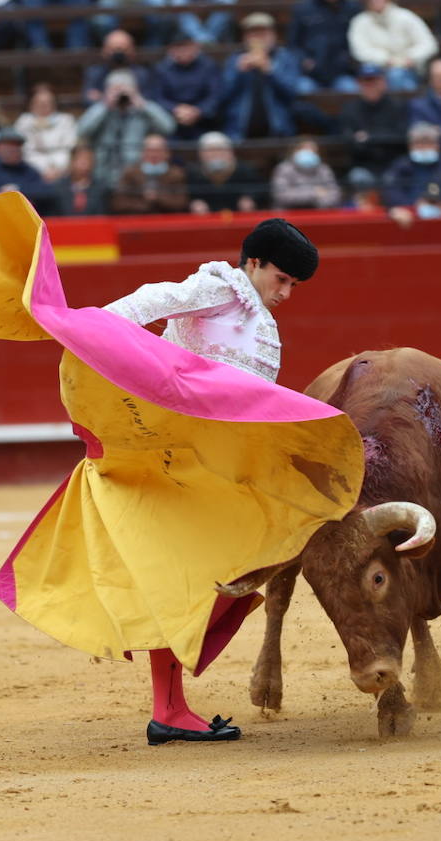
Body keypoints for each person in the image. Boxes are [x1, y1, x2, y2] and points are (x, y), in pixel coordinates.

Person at [95, 218, 322, 743]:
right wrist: (136, 366)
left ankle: (170, 708)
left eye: (294, 286)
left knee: (211, 580)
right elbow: (141, 305)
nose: (285, 293)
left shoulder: (259, 321)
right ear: (255, 263)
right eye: (281, 278)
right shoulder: (220, 289)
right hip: (184, 467)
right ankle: (169, 711)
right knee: (189, 583)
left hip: (223, 473)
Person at [77, 70, 177, 189]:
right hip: (101, 173)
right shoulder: (101, 109)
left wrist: (143, 104)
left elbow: (169, 127)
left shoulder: (143, 110)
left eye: (124, 90)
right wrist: (104, 105)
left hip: (134, 176)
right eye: (115, 89)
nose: (121, 95)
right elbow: (82, 130)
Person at [218, 12, 307, 141]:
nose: (259, 38)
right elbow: (222, 97)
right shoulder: (234, 60)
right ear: (245, 38)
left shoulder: (286, 58)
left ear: (273, 35)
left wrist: (270, 71)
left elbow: (292, 94)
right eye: (254, 34)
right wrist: (238, 72)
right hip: (239, 131)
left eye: (263, 33)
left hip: (279, 130)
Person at [338, 61, 409, 193]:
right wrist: (383, 138)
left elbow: (401, 138)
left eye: (374, 81)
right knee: (357, 176)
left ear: (384, 83)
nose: (370, 86)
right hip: (364, 165)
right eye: (365, 82)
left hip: (392, 164)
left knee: (399, 175)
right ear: (359, 84)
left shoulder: (397, 106)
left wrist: (369, 137)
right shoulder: (350, 109)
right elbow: (349, 142)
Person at [380, 121, 441, 215]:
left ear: (438, 145)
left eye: (429, 142)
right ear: (410, 146)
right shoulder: (400, 166)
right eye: (419, 143)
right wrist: (413, 206)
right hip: (410, 217)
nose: (424, 147)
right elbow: (391, 192)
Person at [346, 0, 438, 92]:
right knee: (347, 86)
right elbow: (359, 51)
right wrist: (385, 60)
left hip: (408, 70)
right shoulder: (360, 22)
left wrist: (411, 57)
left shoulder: (406, 17)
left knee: (399, 77)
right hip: (374, 73)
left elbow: (429, 44)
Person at [150, 30, 222, 141]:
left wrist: (198, 111)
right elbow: (157, 98)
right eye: (178, 47)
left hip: (204, 124)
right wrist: (175, 109)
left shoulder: (209, 66)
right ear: (170, 50)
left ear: (196, 47)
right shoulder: (161, 69)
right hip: (171, 124)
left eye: (186, 46)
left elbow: (215, 95)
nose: (183, 51)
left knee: (215, 141)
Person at [0, 128, 57, 213]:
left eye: (17, 145)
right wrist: (7, 195)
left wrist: (16, 190)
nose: (13, 149)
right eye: (8, 145)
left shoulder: (29, 170)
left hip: (28, 218)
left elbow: (45, 191)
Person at [288, 0, 363, 93]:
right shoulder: (303, 9)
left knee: (352, 89)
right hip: (311, 74)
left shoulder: (352, 8)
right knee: (302, 90)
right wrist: (304, 60)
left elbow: (359, 41)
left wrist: (348, 60)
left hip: (342, 72)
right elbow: (293, 44)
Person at [186, 130, 266, 213]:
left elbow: (260, 190)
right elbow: (187, 195)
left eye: (220, 150)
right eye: (211, 151)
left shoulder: (245, 170)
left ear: (231, 152)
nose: (216, 155)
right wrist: (195, 203)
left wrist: (250, 199)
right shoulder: (194, 173)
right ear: (201, 154)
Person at [14, 83, 78, 183]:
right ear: (31, 104)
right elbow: (26, 152)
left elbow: (69, 148)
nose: (44, 106)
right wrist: (45, 169)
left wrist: (57, 169)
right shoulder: (23, 122)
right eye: (40, 103)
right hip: (33, 172)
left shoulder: (66, 120)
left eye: (48, 103)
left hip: (62, 172)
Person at [110, 133, 188, 214]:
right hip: (137, 220)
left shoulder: (176, 173)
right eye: (150, 150)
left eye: (158, 150)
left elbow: (182, 202)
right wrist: (144, 203)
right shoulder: (130, 173)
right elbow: (118, 203)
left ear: (167, 153)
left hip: (168, 221)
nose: (154, 154)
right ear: (142, 152)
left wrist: (158, 197)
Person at [82, 30, 155, 105]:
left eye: (124, 49)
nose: (119, 54)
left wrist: (136, 97)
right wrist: (105, 98)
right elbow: (87, 99)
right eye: (113, 49)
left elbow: (151, 98)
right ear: (104, 51)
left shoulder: (143, 74)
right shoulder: (94, 73)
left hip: (136, 112)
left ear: (133, 50)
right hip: (106, 112)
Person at [271, 136, 342, 209]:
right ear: (295, 151)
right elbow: (281, 196)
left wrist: (319, 203)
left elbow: (335, 195)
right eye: (306, 149)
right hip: (289, 215)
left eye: (313, 150)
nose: (309, 152)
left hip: (318, 213)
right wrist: (315, 193)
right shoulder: (283, 168)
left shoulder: (324, 169)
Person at [53, 143, 104, 215]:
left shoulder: (100, 189)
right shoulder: (58, 188)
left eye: (88, 159)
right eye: (80, 159)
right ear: (72, 161)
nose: (84, 163)